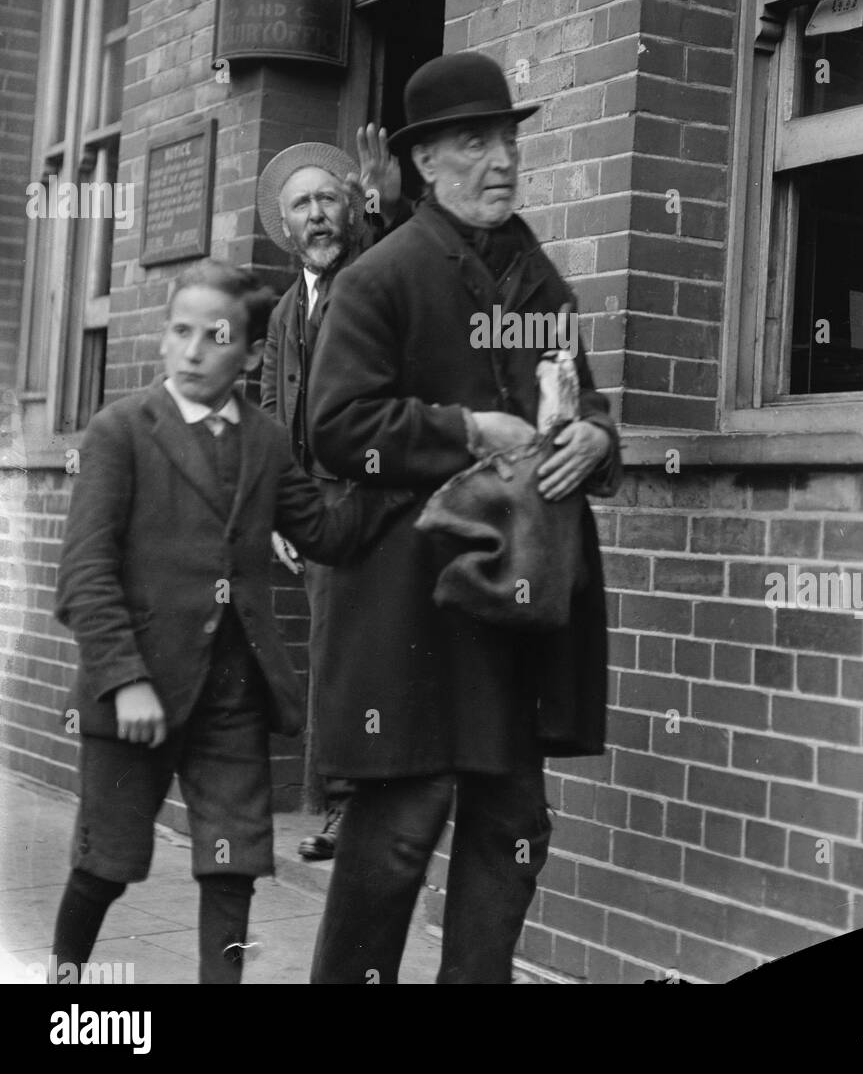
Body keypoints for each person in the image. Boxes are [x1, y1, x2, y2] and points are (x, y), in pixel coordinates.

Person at [306, 52, 621, 984]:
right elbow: (336, 428)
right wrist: (463, 429)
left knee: (513, 822)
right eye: (474, 142)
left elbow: (582, 403)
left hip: (518, 601)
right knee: (400, 826)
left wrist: (597, 441)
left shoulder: (536, 280)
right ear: (425, 165)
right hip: (415, 603)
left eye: (509, 140)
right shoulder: (384, 277)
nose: (501, 161)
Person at [51, 259, 403, 984]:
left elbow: (329, 536)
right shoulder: (121, 432)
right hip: (136, 690)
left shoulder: (266, 442)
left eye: (214, 336)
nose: (191, 350)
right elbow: (83, 575)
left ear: (247, 356)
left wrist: (394, 465)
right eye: (179, 331)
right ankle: (65, 976)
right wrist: (124, 680)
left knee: (233, 862)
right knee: (106, 861)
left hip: (231, 689)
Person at [257, 132, 405, 861]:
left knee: (356, 651)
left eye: (328, 200)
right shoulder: (287, 311)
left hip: (374, 497)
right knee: (335, 652)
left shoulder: (371, 279)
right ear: (285, 228)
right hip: (314, 506)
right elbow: (268, 412)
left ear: (350, 211)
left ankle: (358, 807)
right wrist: (276, 510)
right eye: (301, 206)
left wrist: (383, 200)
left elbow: (402, 262)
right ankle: (350, 804)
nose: (316, 216)